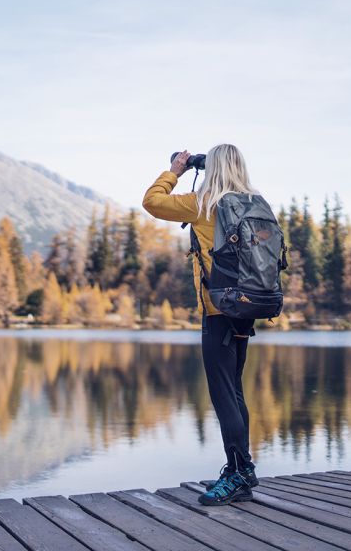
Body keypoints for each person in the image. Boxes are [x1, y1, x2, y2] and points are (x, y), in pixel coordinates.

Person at [142, 144, 260, 506]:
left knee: (224, 393)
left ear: (213, 168)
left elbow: (152, 201)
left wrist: (176, 169)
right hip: (248, 306)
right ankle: (243, 469)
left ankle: (238, 473)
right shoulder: (255, 202)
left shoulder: (203, 202)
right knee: (234, 390)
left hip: (218, 310)